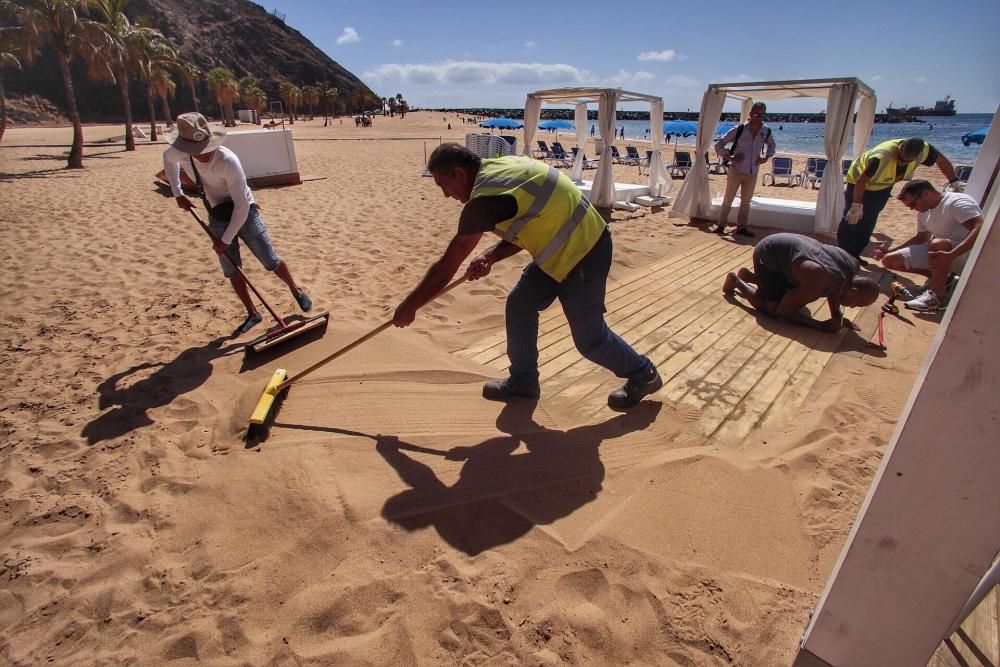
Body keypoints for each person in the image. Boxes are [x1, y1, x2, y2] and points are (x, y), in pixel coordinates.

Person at [392, 143, 662, 411]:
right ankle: (524, 381)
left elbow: (447, 266)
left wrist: (410, 306)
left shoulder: (485, 199)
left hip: (585, 250)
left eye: (443, 185)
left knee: (590, 339)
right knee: (520, 304)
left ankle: (643, 373)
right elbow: (533, 217)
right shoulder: (500, 169)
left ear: (460, 174)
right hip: (556, 250)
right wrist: (491, 256)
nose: (445, 195)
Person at [162, 112, 312, 336]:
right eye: (197, 151)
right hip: (217, 212)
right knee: (232, 270)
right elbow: (168, 159)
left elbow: (241, 207)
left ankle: (296, 290)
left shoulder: (227, 161)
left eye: (205, 148)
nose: (202, 155)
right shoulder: (179, 152)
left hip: (245, 211)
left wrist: (224, 240)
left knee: (269, 259)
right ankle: (253, 313)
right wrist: (178, 193)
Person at [723, 232, 880, 332]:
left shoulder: (852, 267)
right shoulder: (817, 282)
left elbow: (836, 288)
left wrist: (836, 315)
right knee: (772, 309)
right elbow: (784, 312)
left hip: (791, 254)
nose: (852, 307)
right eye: (857, 304)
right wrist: (819, 326)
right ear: (853, 291)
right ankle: (736, 280)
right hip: (769, 252)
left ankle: (751, 276)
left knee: (790, 295)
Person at [837, 137, 957, 262]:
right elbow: (861, 181)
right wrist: (856, 205)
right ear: (899, 148)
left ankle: (854, 254)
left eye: (906, 162)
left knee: (868, 221)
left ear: (916, 157)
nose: (901, 163)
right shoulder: (880, 157)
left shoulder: (924, 150)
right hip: (857, 183)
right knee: (851, 219)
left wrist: (953, 180)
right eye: (900, 159)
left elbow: (942, 161)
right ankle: (842, 256)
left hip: (882, 187)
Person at [877, 179, 984, 312]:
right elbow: (921, 238)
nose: (912, 208)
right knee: (889, 260)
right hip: (940, 254)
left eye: (913, 204)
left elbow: (979, 227)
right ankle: (941, 280)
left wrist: (951, 255)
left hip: (967, 253)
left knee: (937, 243)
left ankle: (938, 296)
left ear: (926, 194)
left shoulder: (956, 202)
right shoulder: (923, 212)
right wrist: (890, 251)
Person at [712, 102, 776, 237]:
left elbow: (772, 145)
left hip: (752, 172)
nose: (759, 117)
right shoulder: (739, 129)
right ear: (750, 114)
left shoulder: (766, 131)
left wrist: (766, 158)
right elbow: (719, 144)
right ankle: (721, 225)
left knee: (746, 202)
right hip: (736, 170)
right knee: (728, 199)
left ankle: (741, 227)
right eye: (757, 114)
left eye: (762, 114)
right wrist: (730, 157)